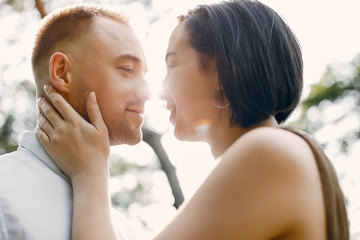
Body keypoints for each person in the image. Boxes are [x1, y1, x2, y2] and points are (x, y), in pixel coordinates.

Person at [36, 0, 350, 239]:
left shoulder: (268, 151)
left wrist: (90, 172)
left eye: (172, 65)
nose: (157, 93)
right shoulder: (278, 151)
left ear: (221, 73)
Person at [0, 3, 150, 240]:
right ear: (62, 72)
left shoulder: (123, 228)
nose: (146, 93)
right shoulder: (4, 191)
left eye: (144, 76)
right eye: (127, 69)